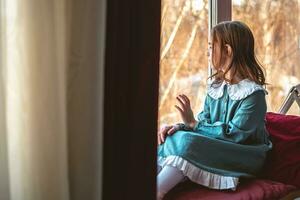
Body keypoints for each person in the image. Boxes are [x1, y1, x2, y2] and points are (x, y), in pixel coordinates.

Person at [157, 21, 273, 200]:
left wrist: (193, 124)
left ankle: (157, 190)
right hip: (217, 147)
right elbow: (205, 123)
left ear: (227, 51)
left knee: (189, 142)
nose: (208, 52)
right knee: (174, 135)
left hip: (243, 155)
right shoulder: (216, 87)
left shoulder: (254, 95)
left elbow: (235, 135)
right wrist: (181, 126)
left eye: (211, 47)